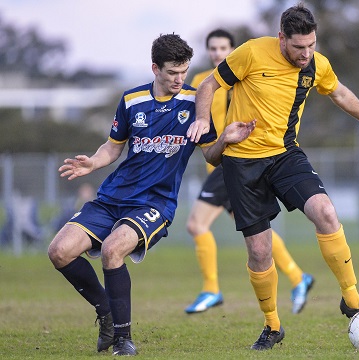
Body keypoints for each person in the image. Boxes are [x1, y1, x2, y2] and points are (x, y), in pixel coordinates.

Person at [187, 3, 359, 351]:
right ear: (281, 37)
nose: (306, 54)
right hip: (240, 163)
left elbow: (341, 93)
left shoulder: (316, 64)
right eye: (299, 46)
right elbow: (208, 85)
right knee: (259, 252)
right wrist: (202, 121)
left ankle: (352, 300)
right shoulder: (252, 52)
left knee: (327, 213)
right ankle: (272, 325)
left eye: (311, 45)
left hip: (285, 155)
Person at [47, 33, 256, 356]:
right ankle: (106, 311)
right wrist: (93, 161)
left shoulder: (193, 102)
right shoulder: (132, 101)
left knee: (113, 250)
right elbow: (112, 147)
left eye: (183, 72)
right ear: (155, 68)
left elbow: (211, 157)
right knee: (59, 251)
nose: (179, 79)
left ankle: (122, 338)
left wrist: (226, 139)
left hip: (155, 203)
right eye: (172, 72)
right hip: (112, 198)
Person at [185, 29, 314, 315]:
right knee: (259, 234)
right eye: (213, 49)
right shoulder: (202, 82)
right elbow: (191, 111)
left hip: (236, 162)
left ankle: (211, 289)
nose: (218, 54)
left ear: (233, 51)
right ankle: (297, 276)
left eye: (224, 48)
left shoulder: (239, 76)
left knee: (196, 225)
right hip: (218, 162)